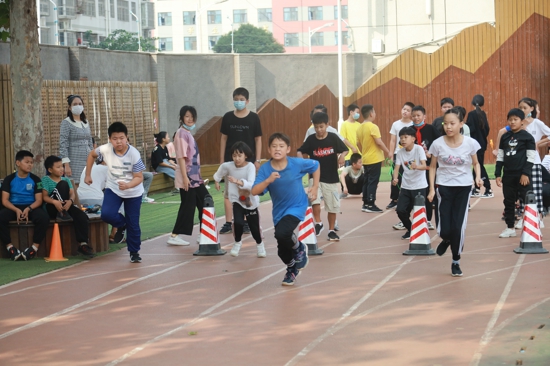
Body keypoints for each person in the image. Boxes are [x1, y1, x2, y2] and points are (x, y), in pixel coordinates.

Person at [252, 133, 320, 286]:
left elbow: (315, 166)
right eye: (274, 146)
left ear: (288, 149)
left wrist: (315, 187)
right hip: (279, 212)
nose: (277, 149)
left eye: (281, 146)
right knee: (281, 250)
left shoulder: (296, 163)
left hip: (297, 206)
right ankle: (292, 268)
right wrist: (268, 180)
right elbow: (255, 191)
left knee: (282, 233)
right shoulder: (265, 169)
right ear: (269, 149)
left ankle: (299, 248)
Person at [428, 107, 483, 277]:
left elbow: (476, 163)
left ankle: (456, 260)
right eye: (446, 124)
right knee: (444, 228)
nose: (448, 127)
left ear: (461, 124)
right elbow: (432, 167)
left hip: (464, 188)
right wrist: (431, 189)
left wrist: (478, 178)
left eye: (452, 123)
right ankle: (446, 238)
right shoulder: (437, 144)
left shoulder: (470, 143)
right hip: (443, 187)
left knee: (458, 227)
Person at [85, 122, 145, 263]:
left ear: (127, 138)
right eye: (115, 138)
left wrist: (128, 185)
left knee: (133, 223)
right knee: (106, 214)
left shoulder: (134, 154)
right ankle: (121, 225)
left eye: (122, 138)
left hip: (133, 192)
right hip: (114, 188)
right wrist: (88, 174)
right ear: (110, 139)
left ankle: (134, 252)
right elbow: (91, 155)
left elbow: (139, 177)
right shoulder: (105, 149)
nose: (119, 141)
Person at [297, 111, 348, 241]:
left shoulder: (333, 138)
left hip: (331, 177)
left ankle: (331, 230)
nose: (319, 130)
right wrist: (303, 162)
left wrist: (341, 156)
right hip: (314, 177)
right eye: (316, 127)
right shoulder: (311, 140)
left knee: (332, 205)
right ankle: (318, 222)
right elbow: (300, 151)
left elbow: (345, 149)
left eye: (321, 127)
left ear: (327, 125)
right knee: (314, 199)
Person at [219, 87, 262, 235]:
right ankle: (228, 222)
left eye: (242, 100)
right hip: (231, 162)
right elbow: (223, 139)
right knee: (228, 192)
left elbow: (258, 139)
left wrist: (257, 159)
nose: (239, 102)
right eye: (236, 99)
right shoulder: (228, 117)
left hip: (248, 162)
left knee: (245, 191)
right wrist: (221, 160)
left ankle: (244, 221)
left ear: (247, 101)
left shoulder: (254, 118)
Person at [213, 141, 266, 257]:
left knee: (254, 227)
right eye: (234, 155)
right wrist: (216, 180)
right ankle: (237, 242)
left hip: (248, 200)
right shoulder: (229, 166)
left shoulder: (250, 167)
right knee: (238, 222)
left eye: (239, 155)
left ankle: (260, 245)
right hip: (237, 199)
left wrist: (238, 181)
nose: (237, 158)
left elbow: (251, 184)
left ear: (245, 155)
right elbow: (222, 168)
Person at [167, 106, 209, 246]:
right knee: (188, 206)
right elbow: (180, 157)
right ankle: (174, 235)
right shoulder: (181, 134)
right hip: (188, 178)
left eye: (192, 117)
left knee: (206, 202)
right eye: (187, 116)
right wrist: (185, 178)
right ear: (181, 118)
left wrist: (199, 176)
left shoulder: (188, 133)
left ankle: (203, 233)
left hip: (195, 178)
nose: (190, 119)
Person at [41, 155, 95, 258]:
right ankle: (62, 213)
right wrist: (55, 202)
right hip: (52, 207)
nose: (62, 169)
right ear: (50, 169)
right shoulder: (46, 180)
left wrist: (70, 201)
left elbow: (72, 194)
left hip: (66, 206)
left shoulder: (66, 179)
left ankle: (83, 244)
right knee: (62, 185)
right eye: (58, 167)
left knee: (81, 216)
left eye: (62, 166)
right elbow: (45, 197)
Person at [0, 150, 49, 261]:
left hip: (31, 206)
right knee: (1, 217)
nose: (30, 165)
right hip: (13, 206)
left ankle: (34, 248)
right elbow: (5, 200)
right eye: (27, 162)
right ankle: (10, 248)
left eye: (31, 162)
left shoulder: (36, 179)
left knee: (44, 218)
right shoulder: (9, 179)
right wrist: (16, 210)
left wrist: (28, 208)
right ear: (18, 163)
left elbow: (39, 200)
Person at [495, 109, 535, 238]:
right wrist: (497, 174)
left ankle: (531, 223)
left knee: (527, 199)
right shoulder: (505, 137)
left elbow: (530, 157)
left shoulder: (528, 137)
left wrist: (525, 173)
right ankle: (510, 227)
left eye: (515, 119)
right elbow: (500, 156)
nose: (512, 122)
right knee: (508, 201)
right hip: (508, 175)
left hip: (522, 175)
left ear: (522, 122)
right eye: (510, 120)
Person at [516, 97, 550, 227]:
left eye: (525, 108)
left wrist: (538, 143)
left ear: (532, 109)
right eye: (520, 108)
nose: (523, 110)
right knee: (522, 190)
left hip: (534, 161)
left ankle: (539, 216)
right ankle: (523, 216)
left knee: (536, 188)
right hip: (520, 161)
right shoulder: (517, 123)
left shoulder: (537, 123)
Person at [407, 105, 440, 231]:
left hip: (428, 166)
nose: (416, 118)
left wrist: (431, 153)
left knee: (428, 192)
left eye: (418, 115)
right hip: (414, 166)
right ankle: (413, 218)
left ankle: (428, 219)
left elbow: (439, 142)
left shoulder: (431, 129)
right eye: (414, 116)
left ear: (424, 116)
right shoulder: (409, 130)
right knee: (414, 192)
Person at [392, 127, 428, 240]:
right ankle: (411, 229)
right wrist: (395, 178)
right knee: (401, 210)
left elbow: (425, 166)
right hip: (406, 186)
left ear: (413, 138)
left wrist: (417, 166)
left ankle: (421, 232)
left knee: (418, 211)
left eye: (405, 137)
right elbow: (396, 168)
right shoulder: (400, 152)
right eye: (401, 138)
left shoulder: (419, 149)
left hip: (419, 186)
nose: (403, 140)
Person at [356, 104, 391, 213]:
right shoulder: (373, 126)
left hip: (365, 158)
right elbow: (379, 142)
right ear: (371, 114)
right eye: (374, 112)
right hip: (374, 158)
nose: (375, 114)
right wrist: (388, 151)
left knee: (367, 181)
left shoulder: (359, 128)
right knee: (373, 181)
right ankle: (371, 203)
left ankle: (366, 203)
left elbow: (358, 143)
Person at [59, 94, 94, 185]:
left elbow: (90, 141)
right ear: (70, 108)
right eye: (75, 104)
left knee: (89, 182)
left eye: (80, 104)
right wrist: (66, 165)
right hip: (74, 159)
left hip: (88, 158)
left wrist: (93, 156)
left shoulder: (85, 122)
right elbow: (63, 144)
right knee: (76, 184)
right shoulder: (66, 122)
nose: (78, 106)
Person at [387, 102, 415, 209]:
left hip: (410, 154)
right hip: (398, 154)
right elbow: (393, 140)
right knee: (395, 176)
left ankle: (410, 199)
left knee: (410, 176)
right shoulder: (396, 124)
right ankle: (394, 199)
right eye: (404, 109)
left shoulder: (413, 125)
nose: (405, 111)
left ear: (411, 113)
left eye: (408, 110)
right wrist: (391, 153)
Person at [466, 95, 493, 198]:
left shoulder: (471, 114)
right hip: (482, 143)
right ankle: (477, 189)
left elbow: (470, 129)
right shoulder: (483, 114)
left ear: (472, 102)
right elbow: (487, 129)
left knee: (479, 165)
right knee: (477, 164)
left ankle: (488, 188)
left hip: (474, 144)